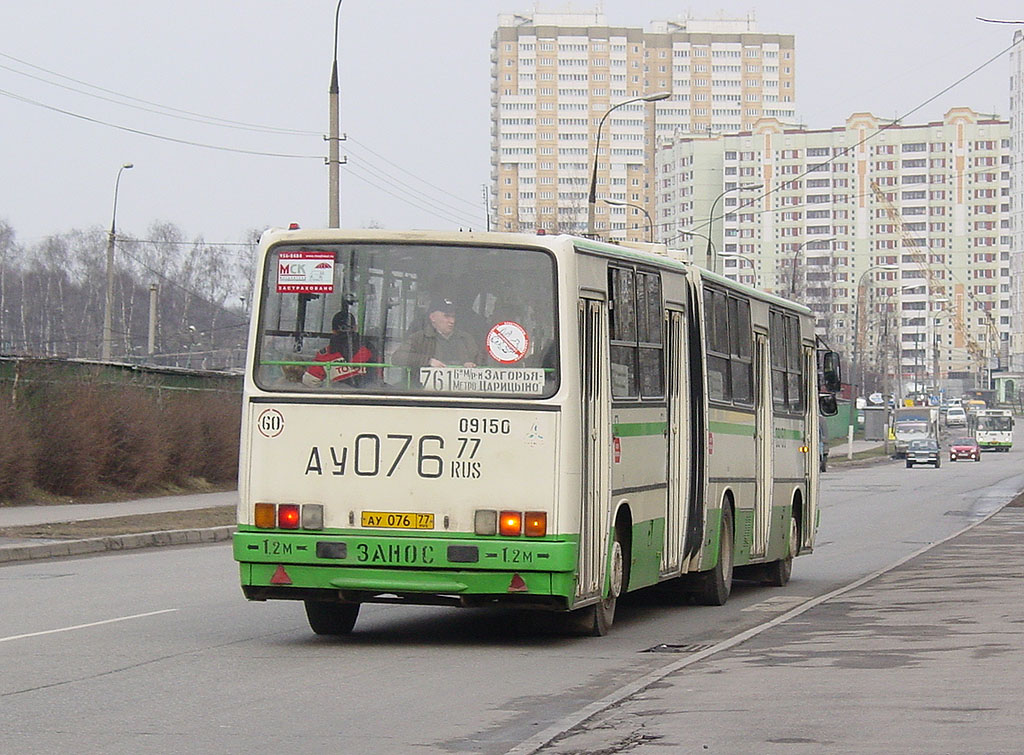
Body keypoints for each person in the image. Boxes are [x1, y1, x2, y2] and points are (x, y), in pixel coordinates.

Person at [391, 295, 483, 373]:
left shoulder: (465, 338)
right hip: (424, 391)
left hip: (461, 391)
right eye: (447, 316)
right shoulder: (419, 338)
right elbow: (397, 357)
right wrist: (428, 361)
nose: (452, 321)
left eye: (453, 316)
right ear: (432, 317)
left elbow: (480, 359)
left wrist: (470, 364)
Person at [302, 308, 372, 388]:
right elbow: (378, 378)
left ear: (333, 331)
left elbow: (310, 381)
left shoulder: (325, 355)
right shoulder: (370, 349)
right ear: (355, 328)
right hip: (369, 397)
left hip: (337, 398)